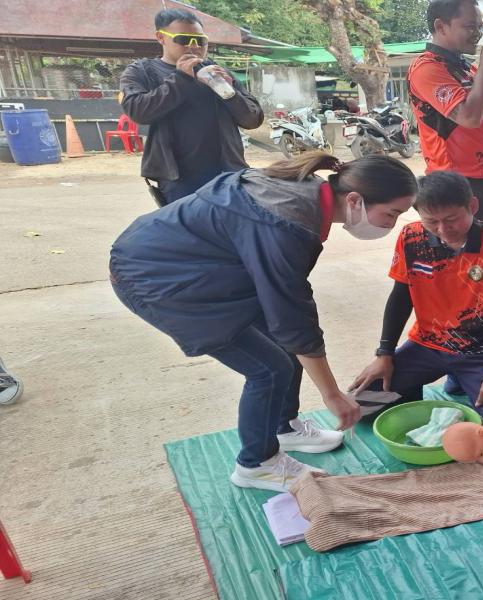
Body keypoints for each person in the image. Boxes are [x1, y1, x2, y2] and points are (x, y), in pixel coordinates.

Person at [109, 152, 418, 492]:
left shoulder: (306, 194)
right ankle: (256, 464)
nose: (392, 224)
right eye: (392, 213)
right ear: (355, 200)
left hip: (188, 263)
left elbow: (289, 311)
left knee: (288, 344)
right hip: (155, 279)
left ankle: (284, 427)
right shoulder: (287, 222)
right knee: (269, 369)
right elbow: (292, 315)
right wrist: (331, 395)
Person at [351, 171, 483, 424]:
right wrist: (384, 354)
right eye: (431, 221)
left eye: (452, 219)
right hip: (426, 345)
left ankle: (463, 377)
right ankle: (436, 383)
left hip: (481, 352)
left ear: (472, 206)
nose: (443, 229)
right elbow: (400, 296)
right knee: (357, 408)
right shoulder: (411, 236)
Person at [120, 8, 264, 204]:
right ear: (161, 37)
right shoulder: (143, 71)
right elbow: (139, 111)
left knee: (236, 223)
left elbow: (253, 119)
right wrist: (180, 78)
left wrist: (228, 91)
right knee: (188, 225)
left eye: (200, 41)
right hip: (178, 179)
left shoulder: (217, 72)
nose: (194, 46)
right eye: (184, 39)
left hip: (228, 173)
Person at [407, 0, 483, 226]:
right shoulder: (427, 68)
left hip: (482, 177)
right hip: (453, 180)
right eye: (470, 27)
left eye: (479, 27)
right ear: (441, 26)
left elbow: (478, 112)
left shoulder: (466, 68)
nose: (478, 34)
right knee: (465, 246)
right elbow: (469, 117)